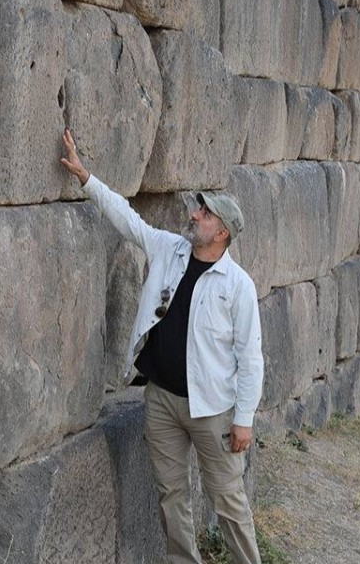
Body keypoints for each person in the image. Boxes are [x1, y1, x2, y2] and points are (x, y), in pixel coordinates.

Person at [60, 129, 265, 564]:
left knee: (228, 501)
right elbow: (128, 219)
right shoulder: (170, 249)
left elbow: (250, 358)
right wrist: (86, 178)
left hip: (212, 411)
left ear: (222, 232)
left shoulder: (239, 286)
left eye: (204, 214)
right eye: (197, 209)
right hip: (162, 403)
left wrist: (243, 420)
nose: (193, 216)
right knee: (172, 497)